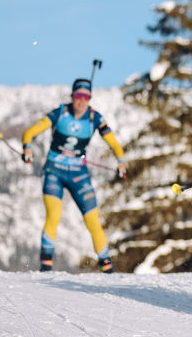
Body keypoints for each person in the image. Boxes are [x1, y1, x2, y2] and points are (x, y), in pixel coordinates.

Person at [21, 78, 127, 272]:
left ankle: (108, 269)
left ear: (89, 99)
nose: (82, 101)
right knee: (54, 215)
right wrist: (27, 148)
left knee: (93, 219)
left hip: (79, 174)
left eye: (86, 97)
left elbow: (114, 144)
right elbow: (30, 133)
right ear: (72, 96)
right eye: (79, 96)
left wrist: (121, 161)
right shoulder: (60, 112)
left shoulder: (95, 118)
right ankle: (45, 268)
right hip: (54, 171)